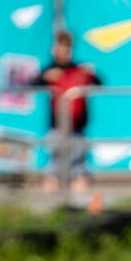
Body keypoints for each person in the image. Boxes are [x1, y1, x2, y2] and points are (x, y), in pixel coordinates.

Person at [38, 30, 101, 194]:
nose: (63, 52)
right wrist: (45, 77)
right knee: (55, 154)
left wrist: (92, 73)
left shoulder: (79, 68)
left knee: (78, 156)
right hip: (57, 123)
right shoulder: (49, 70)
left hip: (77, 124)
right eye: (60, 47)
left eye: (67, 48)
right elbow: (33, 83)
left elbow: (100, 82)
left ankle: (78, 184)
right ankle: (53, 184)